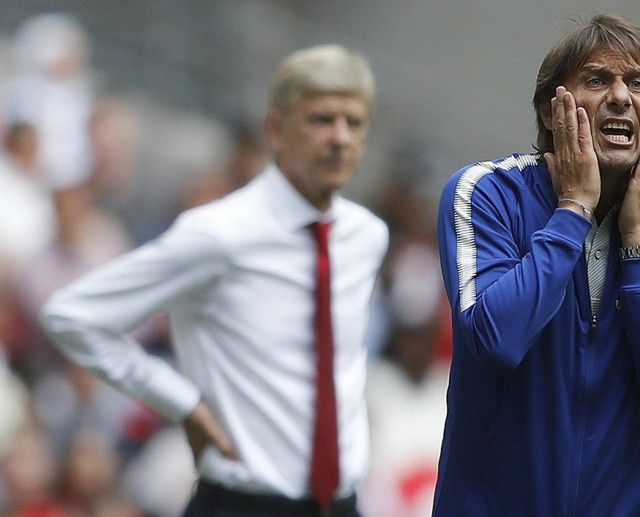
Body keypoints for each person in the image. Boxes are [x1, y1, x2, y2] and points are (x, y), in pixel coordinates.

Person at [40, 44, 388, 517]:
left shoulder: (366, 236)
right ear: (276, 129)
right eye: (322, 120)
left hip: (342, 504)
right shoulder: (220, 234)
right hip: (242, 504)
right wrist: (180, 402)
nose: (341, 138)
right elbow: (73, 316)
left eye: (355, 123)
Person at [433, 14, 640, 517]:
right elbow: (496, 341)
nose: (620, 97)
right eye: (597, 80)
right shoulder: (485, 193)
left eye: (638, 84)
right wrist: (573, 210)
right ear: (550, 111)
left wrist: (639, 244)